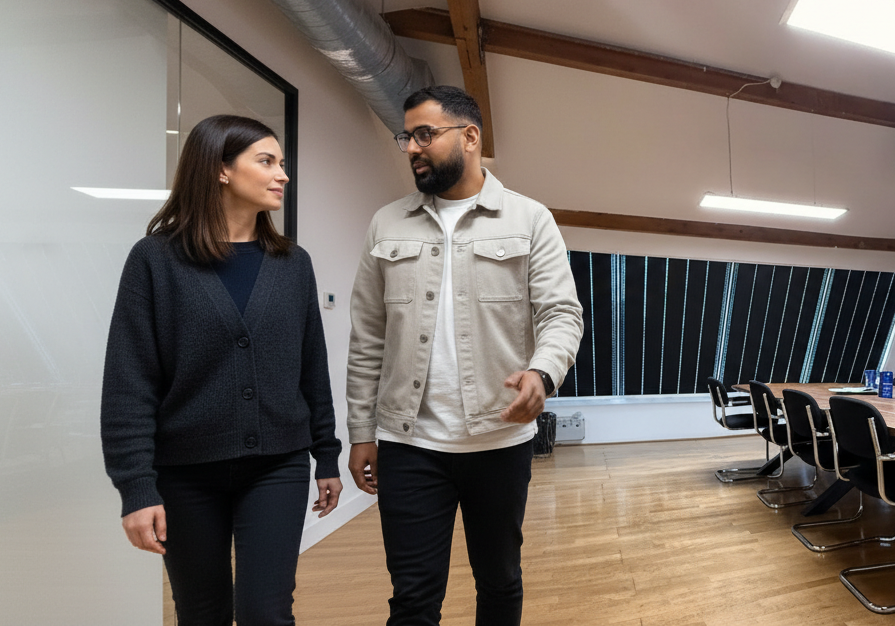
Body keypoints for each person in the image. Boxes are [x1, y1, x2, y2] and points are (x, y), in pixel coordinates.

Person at [346, 86, 583, 626]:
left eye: (425, 134)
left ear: (470, 137)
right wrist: (362, 430)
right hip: (409, 444)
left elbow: (561, 314)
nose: (412, 148)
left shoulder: (529, 219)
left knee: (499, 583)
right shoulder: (387, 224)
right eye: (407, 137)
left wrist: (542, 374)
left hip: (499, 442)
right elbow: (368, 336)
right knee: (412, 597)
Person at [101, 114, 342, 625]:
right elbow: (129, 384)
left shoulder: (292, 263)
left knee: (265, 613)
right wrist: (136, 489)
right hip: (185, 474)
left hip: (277, 465)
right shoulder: (154, 261)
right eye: (267, 161)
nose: (282, 174)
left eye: (283, 163)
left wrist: (326, 456)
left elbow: (311, 368)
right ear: (221, 170)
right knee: (201, 612)